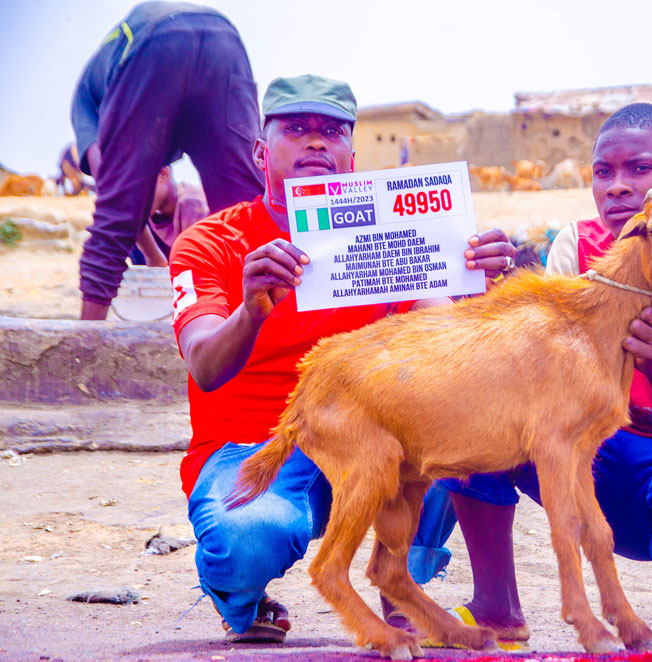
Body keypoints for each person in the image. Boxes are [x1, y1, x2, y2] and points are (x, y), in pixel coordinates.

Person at [169, 73, 517, 644]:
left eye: (331, 132)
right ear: (261, 151)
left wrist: (481, 289)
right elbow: (205, 366)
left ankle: (399, 588)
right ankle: (240, 595)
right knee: (251, 538)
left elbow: (444, 335)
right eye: (297, 129)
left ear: (351, 156)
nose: (314, 142)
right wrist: (251, 310)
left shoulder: (390, 228)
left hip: (367, 444)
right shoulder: (212, 242)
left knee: (476, 437)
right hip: (252, 447)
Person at [424, 102, 652, 653]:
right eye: (603, 173)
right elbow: (534, 369)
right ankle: (497, 604)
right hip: (601, 459)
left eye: (639, 169)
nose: (617, 187)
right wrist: (501, 291)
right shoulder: (578, 244)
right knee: (473, 418)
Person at [71, 1, 265, 320]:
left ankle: (84, 343)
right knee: (247, 208)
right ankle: (260, 336)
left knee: (248, 216)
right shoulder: (103, 104)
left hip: (157, 43)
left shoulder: (85, 104)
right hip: (224, 39)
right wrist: (154, 258)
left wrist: (151, 255)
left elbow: (118, 198)